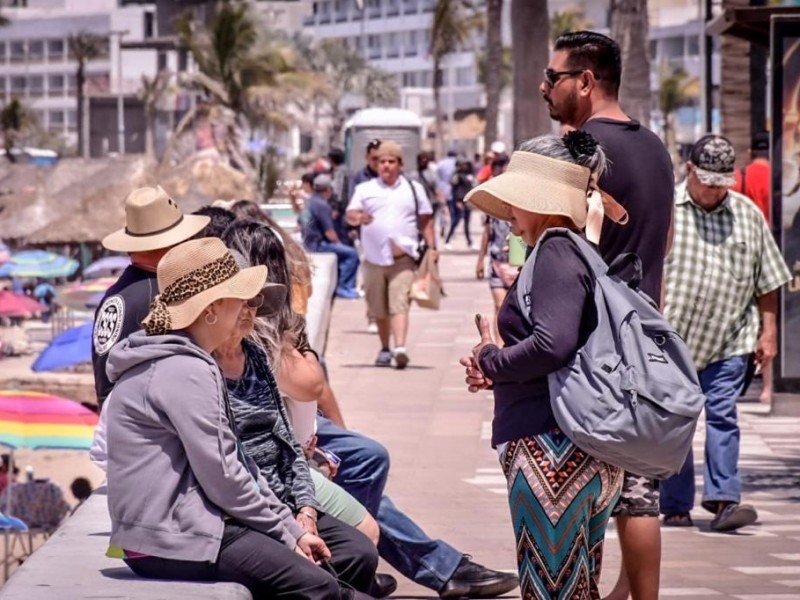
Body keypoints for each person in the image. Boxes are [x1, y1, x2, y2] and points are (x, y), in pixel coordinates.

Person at [105, 237, 371, 598]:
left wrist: (292, 530)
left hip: (186, 525)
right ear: (212, 309)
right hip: (167, 538)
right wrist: (287, 534)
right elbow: (225, 475)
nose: (248, 307)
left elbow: (237, 463)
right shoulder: (185, 369)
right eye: (239, 297)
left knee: (343, 565)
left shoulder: (188, 360)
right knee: (318, 586)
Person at [461, 132, 624, 600]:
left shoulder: (554, 249)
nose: (509, 210)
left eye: (516, 198)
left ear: (542, 199)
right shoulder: (573, 249)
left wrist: (492, 360)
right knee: (573, 588)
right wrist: (497, 367)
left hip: (551, 454)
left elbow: (552, 344)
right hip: (570, 450)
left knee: (551, 590)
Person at [541, 30, 675, 600]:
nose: (544, 87)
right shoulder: (657, 148)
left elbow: (561, 245)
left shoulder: (578, 151)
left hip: (588, 343)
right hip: (645, 335)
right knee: (637, 488)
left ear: (586, 82)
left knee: (579, 485)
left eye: (553, 78)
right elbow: (656, 241)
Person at [211, 253, 380, 596]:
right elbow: (229, 469)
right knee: (317, 577)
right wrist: (289, 527)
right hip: (248, 510)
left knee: (359, 552)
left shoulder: (256, 356)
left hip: (286, 499)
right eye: (240, 301)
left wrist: (306, 509)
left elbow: (289, 443)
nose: (248, 311)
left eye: (254, 301)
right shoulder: (202, 368)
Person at [659, 134, 791, 532]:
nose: (714, 190)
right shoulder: (667, 212)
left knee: (722, 416)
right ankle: (675, 504)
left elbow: (768, 281)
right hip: (673, 341)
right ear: (689, 172)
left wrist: (768, 334)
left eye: (721, 183)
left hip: (730, 339)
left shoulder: (747, 214)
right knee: (675, 421)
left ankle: (723, 499)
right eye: (706, 181)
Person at [92, 185, 210, 409]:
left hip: (119, 421)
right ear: (171, 243)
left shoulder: (116, 293)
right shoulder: (164, 295)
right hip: (149, 423)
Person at [346, 140, 436, 369]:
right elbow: (350, 214)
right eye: (382, 161)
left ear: (400, 164)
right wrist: (358, 218)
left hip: (403, 260)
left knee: (400, 303)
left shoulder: (414, 189)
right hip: (374, 259)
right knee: (379, 308)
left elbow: (426, 219)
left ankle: (400, 348)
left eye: (391, 161)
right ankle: (385, 348)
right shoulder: (365, 189)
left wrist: (433, 248)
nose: (386, 165)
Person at [732, 131, 774, 405]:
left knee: (751, 317)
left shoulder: (740, 177)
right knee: (772, 319)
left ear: (750, 151)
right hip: (777, 251)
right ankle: (769, 387)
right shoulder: (780, 177)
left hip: (746, 253)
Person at [302, 174, 361, 300]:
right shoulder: (322, 205)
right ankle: (344, 288)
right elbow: (329, 232)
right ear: (328, 189)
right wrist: (339, 243)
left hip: (308, 243)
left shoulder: (310, 201)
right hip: (317, 245)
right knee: (352, 254)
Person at [444, 159, 475, 249]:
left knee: (467, 223)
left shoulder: (469, 175)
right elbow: (455, 189)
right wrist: (457, 201)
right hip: (459, 201)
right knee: (455, 221)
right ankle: (448, 240)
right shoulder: (457, 176)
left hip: (467, 201)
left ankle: (469, 242)